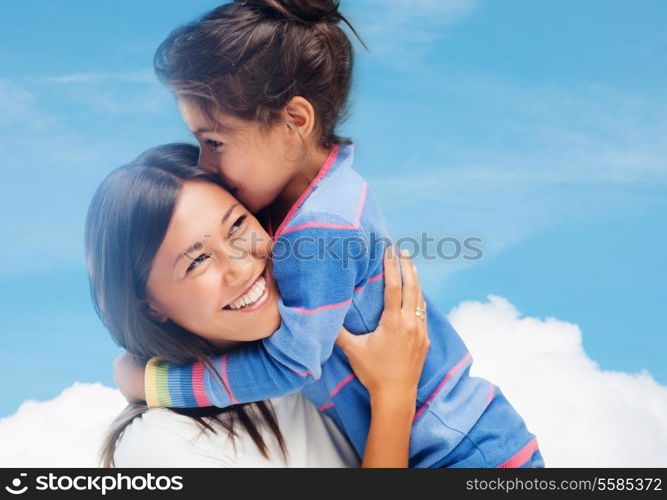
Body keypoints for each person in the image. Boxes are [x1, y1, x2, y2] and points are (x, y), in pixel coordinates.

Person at [115, 0, 544, 467]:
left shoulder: (320, 228)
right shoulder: (325, 189)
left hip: (463, 452)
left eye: (214, 141)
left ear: (295, 123)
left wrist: (157, 384)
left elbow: (291, 364)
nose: (205, 163)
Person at [87, 143, 430, 467]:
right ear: (150, 308)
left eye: (237, 225)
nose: (240, 267)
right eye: (197, 261)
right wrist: (394, 394)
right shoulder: (161, 445)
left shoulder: (318, 339)